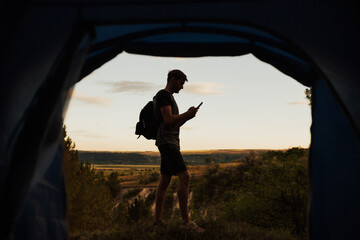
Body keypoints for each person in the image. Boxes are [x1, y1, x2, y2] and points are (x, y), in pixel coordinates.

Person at [153, 69, 204, 233]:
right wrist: (186, 114)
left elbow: (172, 123)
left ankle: (158, 221)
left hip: (168, 141)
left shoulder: (169, 98)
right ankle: (186, 222)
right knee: (185, 177)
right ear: (173, 79)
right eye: (181, 83)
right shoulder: (164, 95)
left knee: (165, 181)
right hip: (168, 143)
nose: (182, 87)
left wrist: (188, 116)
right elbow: (168, 120)